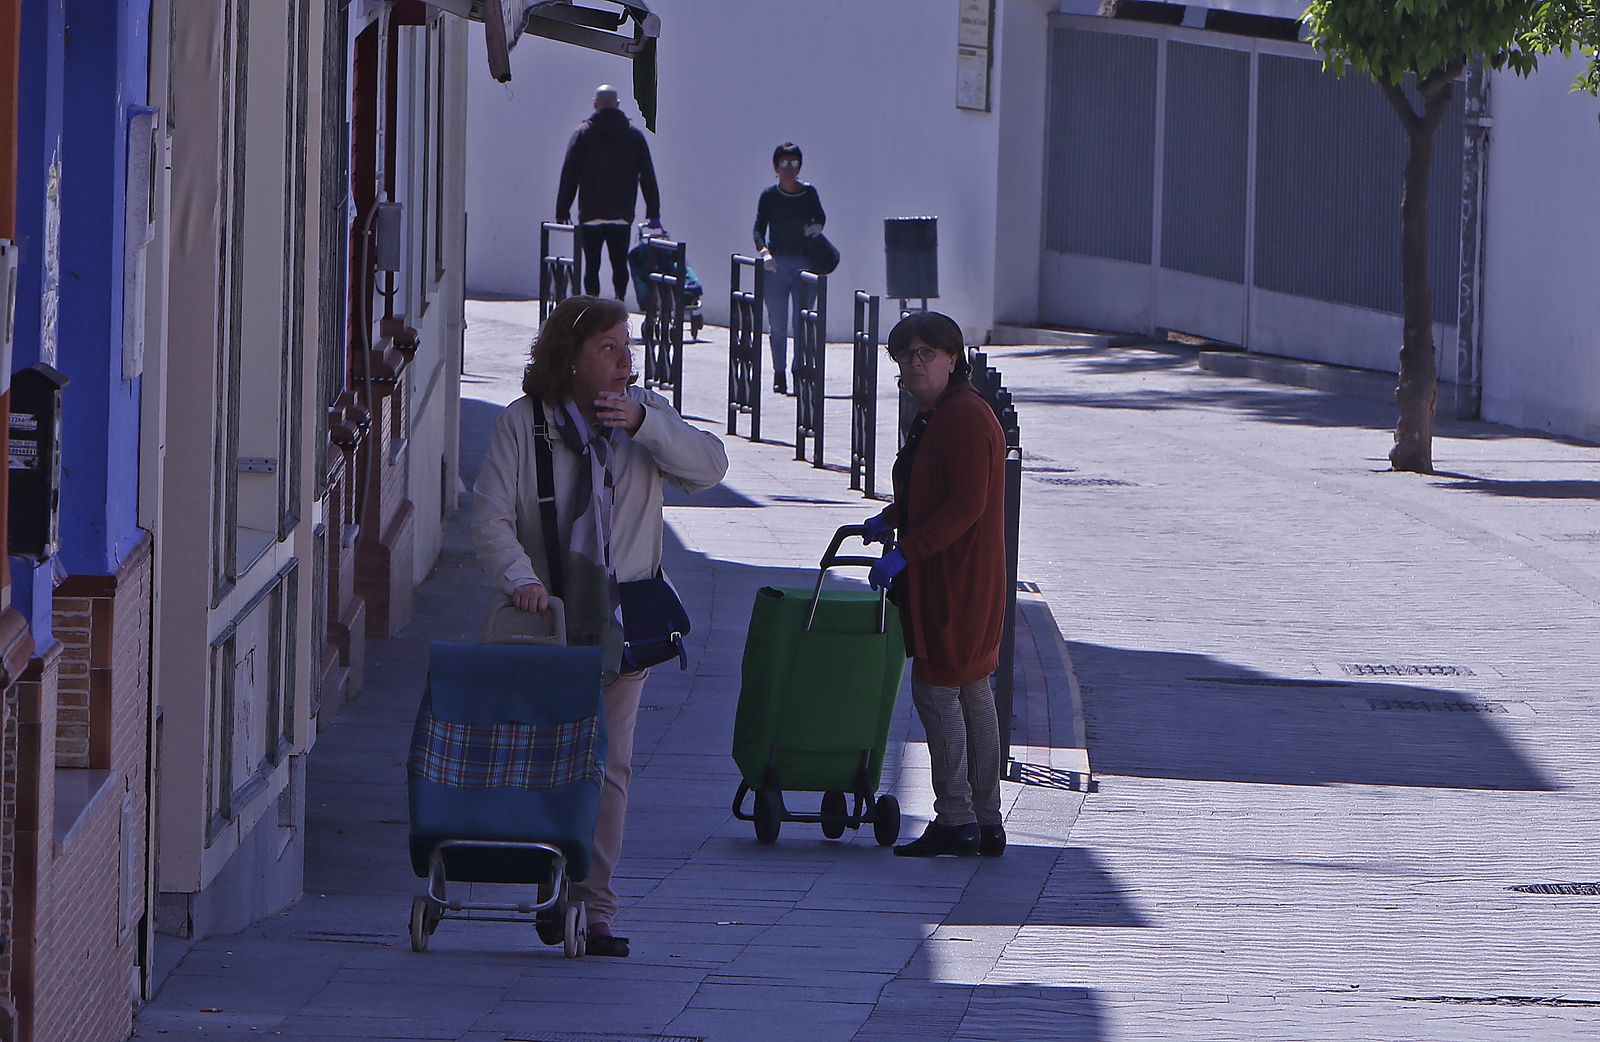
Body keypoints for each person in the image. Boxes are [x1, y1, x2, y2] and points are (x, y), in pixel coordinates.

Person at [472, 295, 729, 954]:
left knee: (611, 764)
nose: (624, 362)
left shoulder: (645, 415)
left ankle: (595, 905)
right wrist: (521, 580)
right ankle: (548, 874)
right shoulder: (524, 424)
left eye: (627, 347)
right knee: (546, 755)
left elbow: (709, 469)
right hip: (544, 620)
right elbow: (491, 516)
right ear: (571, 358)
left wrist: (647, 425)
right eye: (608, 349)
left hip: (623, 620)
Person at [862, 311, 1007, 859]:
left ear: (953, 358)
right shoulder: (944, 413)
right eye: (906, 355)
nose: (915, 363)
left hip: (956, 580)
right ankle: (983, 819)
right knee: (970, 689)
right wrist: (894, 517)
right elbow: (937, 492)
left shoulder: (963, 416)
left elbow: (966, 504)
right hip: (961, 575)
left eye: (927, 353)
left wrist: (908, 551)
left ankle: (956, 818)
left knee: (939, 689)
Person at [556, 84, 663, 302]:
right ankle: (619, 303)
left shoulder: (583, 134)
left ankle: (592, 307)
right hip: (621, 213)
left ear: (595, 104)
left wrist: (562, 210)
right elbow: (647, 175)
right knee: (619, 264)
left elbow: (570, 174)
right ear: (618, 105)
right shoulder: (634, 136)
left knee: (591, 265)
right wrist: (653, 212)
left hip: (591, 213)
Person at [752, 142, 826, 395]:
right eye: (784, 163)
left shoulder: (809, 193)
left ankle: (799, 370)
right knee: (778, 324)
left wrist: (816, 227)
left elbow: (820, 217)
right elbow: (759, 228)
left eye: (794, 163)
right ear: (776, 167)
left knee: (802, 322)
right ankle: (779, 372)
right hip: (777, 265)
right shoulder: (769, 196)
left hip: (805, 265)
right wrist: (764, 252)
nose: (789, 169)